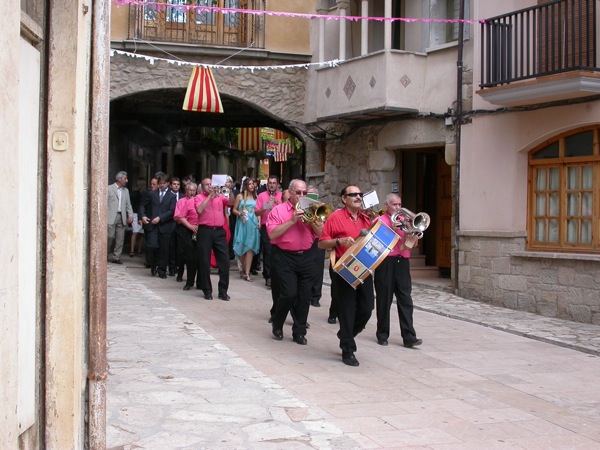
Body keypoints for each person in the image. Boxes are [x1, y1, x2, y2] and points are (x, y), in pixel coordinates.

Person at [319, 185, 373, 367]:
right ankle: (348, 349)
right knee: (347, 310)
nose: (358, 197)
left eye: (360, 194)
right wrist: (339, 241)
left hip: (364, 268)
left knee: (367, 308)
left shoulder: (367, 219)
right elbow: (321, 243)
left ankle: (346, 334)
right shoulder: (335, 217)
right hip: (343, 267)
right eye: (353, 195)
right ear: (344, 199)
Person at [267, 179, 323, 345]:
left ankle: (299, 331)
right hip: (285, 256)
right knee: (289, 293)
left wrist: (313, 219)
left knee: (305, 296)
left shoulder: (313, 209)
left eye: (305, 193)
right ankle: (278, 322)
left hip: (306, 256)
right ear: (290, 193)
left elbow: (320, 233)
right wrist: (292, 221)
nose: (302, 196)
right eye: (298, 192)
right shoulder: (278, 210)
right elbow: (272, 234)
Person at [373, 194, 423, 348]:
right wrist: (390, 231)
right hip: (386, 262)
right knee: (384, 299)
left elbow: (411, 246)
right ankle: (382, 334)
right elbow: (375, 244)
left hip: (402, 262)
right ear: (386, 206)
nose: (398, 208)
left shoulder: (406, 222)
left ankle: (409, 337)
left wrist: (411, 236)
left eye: (399, 204)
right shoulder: (379, 221)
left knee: (405, 299)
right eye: (394, 204)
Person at [195, 177, 234, 300]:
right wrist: (209, 196)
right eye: (206, 185)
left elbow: (231, 202)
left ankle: (223, 291)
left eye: (211, 184)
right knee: (204, 261)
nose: (209, 186)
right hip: (205, 231)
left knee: (224, 261)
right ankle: (207, 290)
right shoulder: (199, 197)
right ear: (202, 187)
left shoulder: (220, 197)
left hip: (219, 231)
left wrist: (229, 190)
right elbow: (199, 210)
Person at [138, 174, 177, 279]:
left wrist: (160, 218)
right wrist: (143, 216)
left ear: (168, 183)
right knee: (153, 246)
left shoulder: (172, 196)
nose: (162, 185)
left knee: (164, 249)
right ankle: (153, 263)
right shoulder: (152, 194)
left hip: (165, 225)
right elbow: (142, 205)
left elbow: (172, 211)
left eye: (164, 183)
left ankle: (162, 270)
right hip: (152, 225)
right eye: (160, 183)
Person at [254, 175, 283, 288]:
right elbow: (256, 212)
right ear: (267, 184)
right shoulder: (261, 196)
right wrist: (266, 207)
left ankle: (277, 274)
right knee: (268, 251)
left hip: (279, 227)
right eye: (270, 183)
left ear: (277, 185)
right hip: (266, 227)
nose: (272, 185)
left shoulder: (281, 196)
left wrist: (277, 203)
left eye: (274, 183)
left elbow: (287, 208)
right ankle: (268, 276)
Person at [232, 178, 261, 281]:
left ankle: (247, 273)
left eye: (253, 184)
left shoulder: (256, 197)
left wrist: (259, 221)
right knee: (242, 245)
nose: (252, 186)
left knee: (250, 248)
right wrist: (240, 213)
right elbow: (234, 210)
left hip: (253, 223)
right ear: (245, 185)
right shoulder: (240, 196)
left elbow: (257, 211)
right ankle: (242, 268)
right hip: (243, 222)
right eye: (250, 184)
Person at [174, 182, 199, 290]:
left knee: (196, 257)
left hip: (198, 230)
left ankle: (197, 280)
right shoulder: (182, 201)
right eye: (190, 190)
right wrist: (189, 225)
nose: (192, 192)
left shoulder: (199, 201)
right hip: (185, 229)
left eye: (194, 190)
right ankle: (183, 276)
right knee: (183, 254)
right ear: (186, 191)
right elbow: (177, 217)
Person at [107, 171, 134, 264]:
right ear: (119, 179)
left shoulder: (126, 191)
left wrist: (130, 214)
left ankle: (116, 257)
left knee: (120, 238)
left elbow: (128, 204)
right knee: (110, 236)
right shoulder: (109, 189)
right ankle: (105, 253)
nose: (126, 180)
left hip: (122, 216)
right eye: (125, 179)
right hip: (110, 216)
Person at [129, 178, 146, 257]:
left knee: (139, 233)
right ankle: (134, 250)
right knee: (136, 232)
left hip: (141, 214)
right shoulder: (136, 193)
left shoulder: (145, 193)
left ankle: (136, 250)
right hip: (136, 214)